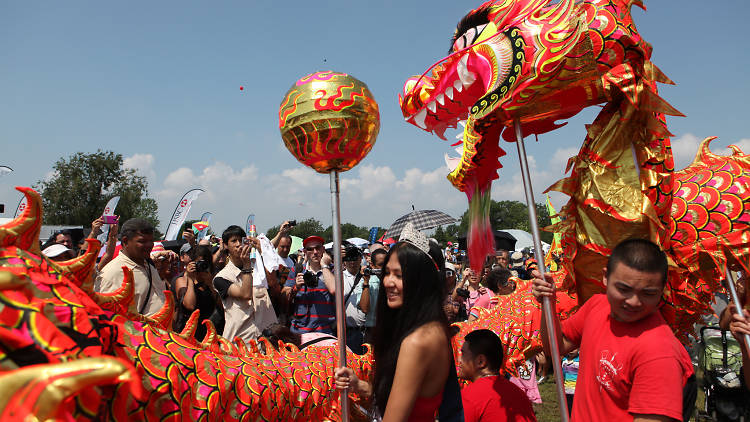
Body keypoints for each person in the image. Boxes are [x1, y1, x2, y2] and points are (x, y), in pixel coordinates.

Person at [531, 238, 693, 421]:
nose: (634, 302)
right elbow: (555, 347)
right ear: (605, 277)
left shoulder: (660, 353)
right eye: (624, 289)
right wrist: (548, 303)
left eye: (648, 293)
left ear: (662, 289)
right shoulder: (596, 306)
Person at [334, 223, 461, 421]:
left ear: (421, 280)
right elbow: (408, 396)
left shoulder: (418, 342)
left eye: (399, 275)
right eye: (387, 273)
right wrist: (360, 386)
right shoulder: (433, 328)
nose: (388, 282)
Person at [458, 329, 536, 422]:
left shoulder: (469, 397)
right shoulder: (519, 393)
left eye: (463, 353)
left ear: (480, 361)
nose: (459, 359)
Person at [95, 218, 169, 316]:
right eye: (142, 241)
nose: (149, 245)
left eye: (151, 241)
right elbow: (109, 318)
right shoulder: (113, 273)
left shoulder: (149, 266)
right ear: (125, 241)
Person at [212, 225, 259, 343]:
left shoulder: (258, 269)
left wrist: (262, 250)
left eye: (241, 240)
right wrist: (247, 266)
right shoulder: (220, 278)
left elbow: (273, 284)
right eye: (234, 241)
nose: (239, 244)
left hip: (261, 338)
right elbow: (245, 295)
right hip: (238, 340)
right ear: (226, 245)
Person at [282, 235, 336, 335]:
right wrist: (296, 288)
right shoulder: (297, 269)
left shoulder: (332, 269)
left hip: (325, 332)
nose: (315, 252)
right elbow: (283, 296)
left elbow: (334, 290)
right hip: (300, 332)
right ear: (305, 252)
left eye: (318, 248)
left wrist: (324, 266)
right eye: (310, 249)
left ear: (323, 249)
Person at [174, 245, 225, 341]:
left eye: (205, 264)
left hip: (211, 333)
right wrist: (190, 278)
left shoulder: (213, 280)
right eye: (199, 263)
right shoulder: (182, 280)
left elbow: (223, 307)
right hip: (190, 333)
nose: (202, 267)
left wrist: (210, 284)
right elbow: (190, 305)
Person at [342, 246, 368, 354]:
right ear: (344, 261)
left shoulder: (367, 277)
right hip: (348, 332)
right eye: (348, 258)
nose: (352, 261)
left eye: (354, 258)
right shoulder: (338, 277)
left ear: (360, 259)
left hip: (366, 331)